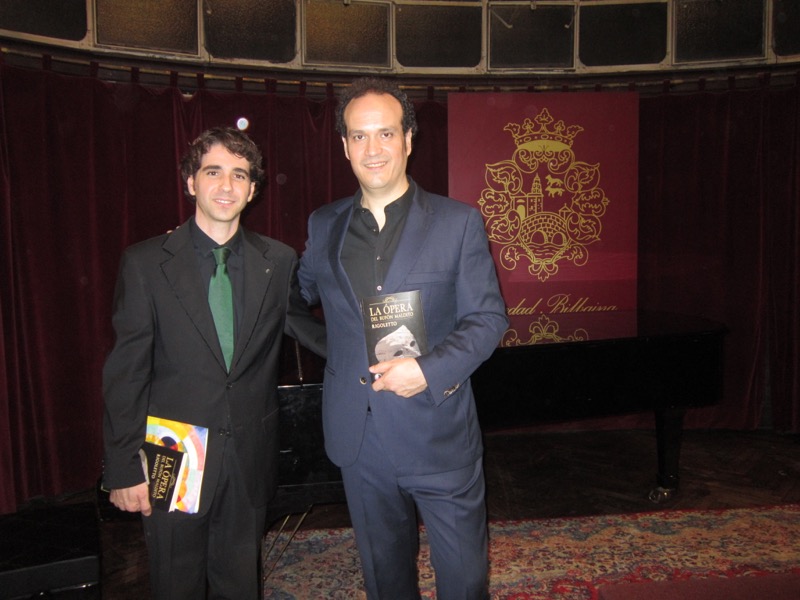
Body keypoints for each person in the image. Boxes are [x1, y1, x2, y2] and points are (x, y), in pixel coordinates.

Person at [298, 78, 508, 599]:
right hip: (360, 437)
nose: (373, 149)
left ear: (409, 139)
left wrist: (427, 370)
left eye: (386, 133)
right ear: (344, 145)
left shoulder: (458, 223)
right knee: (385, 581)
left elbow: (488, 319)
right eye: (359, 136)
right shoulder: (324, 226)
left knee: (465, 581)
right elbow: (289, 296)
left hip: (438, 431)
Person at [102, 126, 326, 599]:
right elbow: (126, 374)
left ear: (253, 189)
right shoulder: (146, 264)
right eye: (213, 172)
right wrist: (122, 468)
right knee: (175, 584)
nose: (227, 185)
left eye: (239, 175)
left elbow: (308, 330)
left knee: (240, 585)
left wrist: (383, 350)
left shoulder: (278, 261)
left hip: (248, 456)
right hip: (173, 455)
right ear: (191, 182)